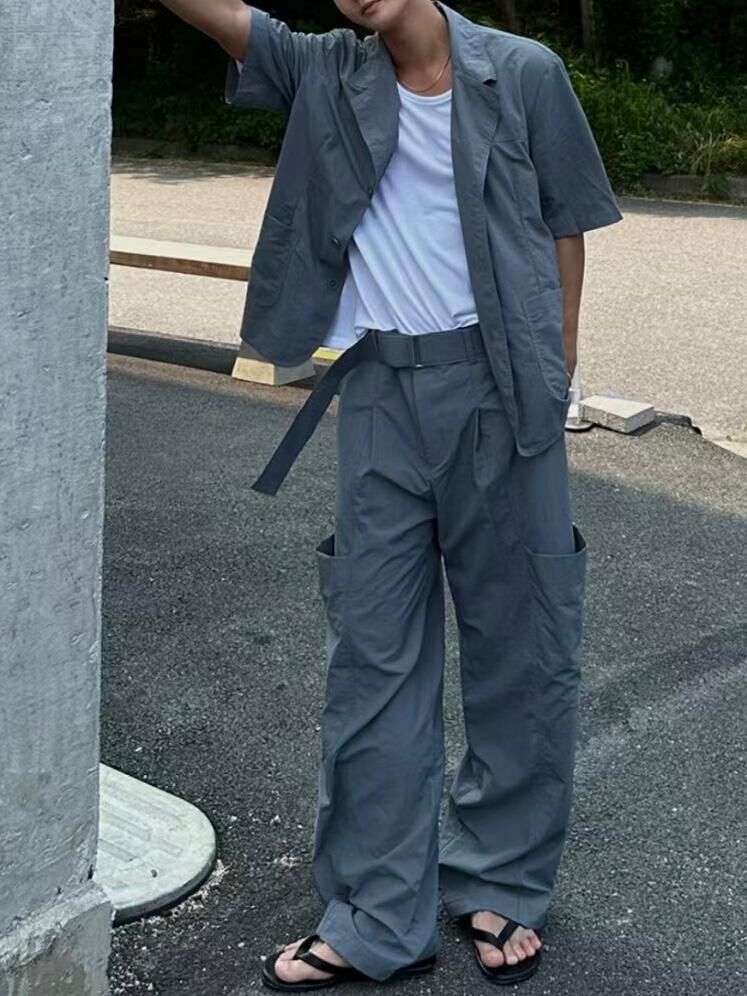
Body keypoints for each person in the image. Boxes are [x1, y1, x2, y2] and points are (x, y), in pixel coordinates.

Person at [158, 0, 622, 990]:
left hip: (502, 388)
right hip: (377, 394)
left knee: (522, 646)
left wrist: (557, 366)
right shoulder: (328, 71)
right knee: (372, 656)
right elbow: (224, 17)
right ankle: (379, 913)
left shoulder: (524, 72)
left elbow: (567, 221)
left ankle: (501, 878)